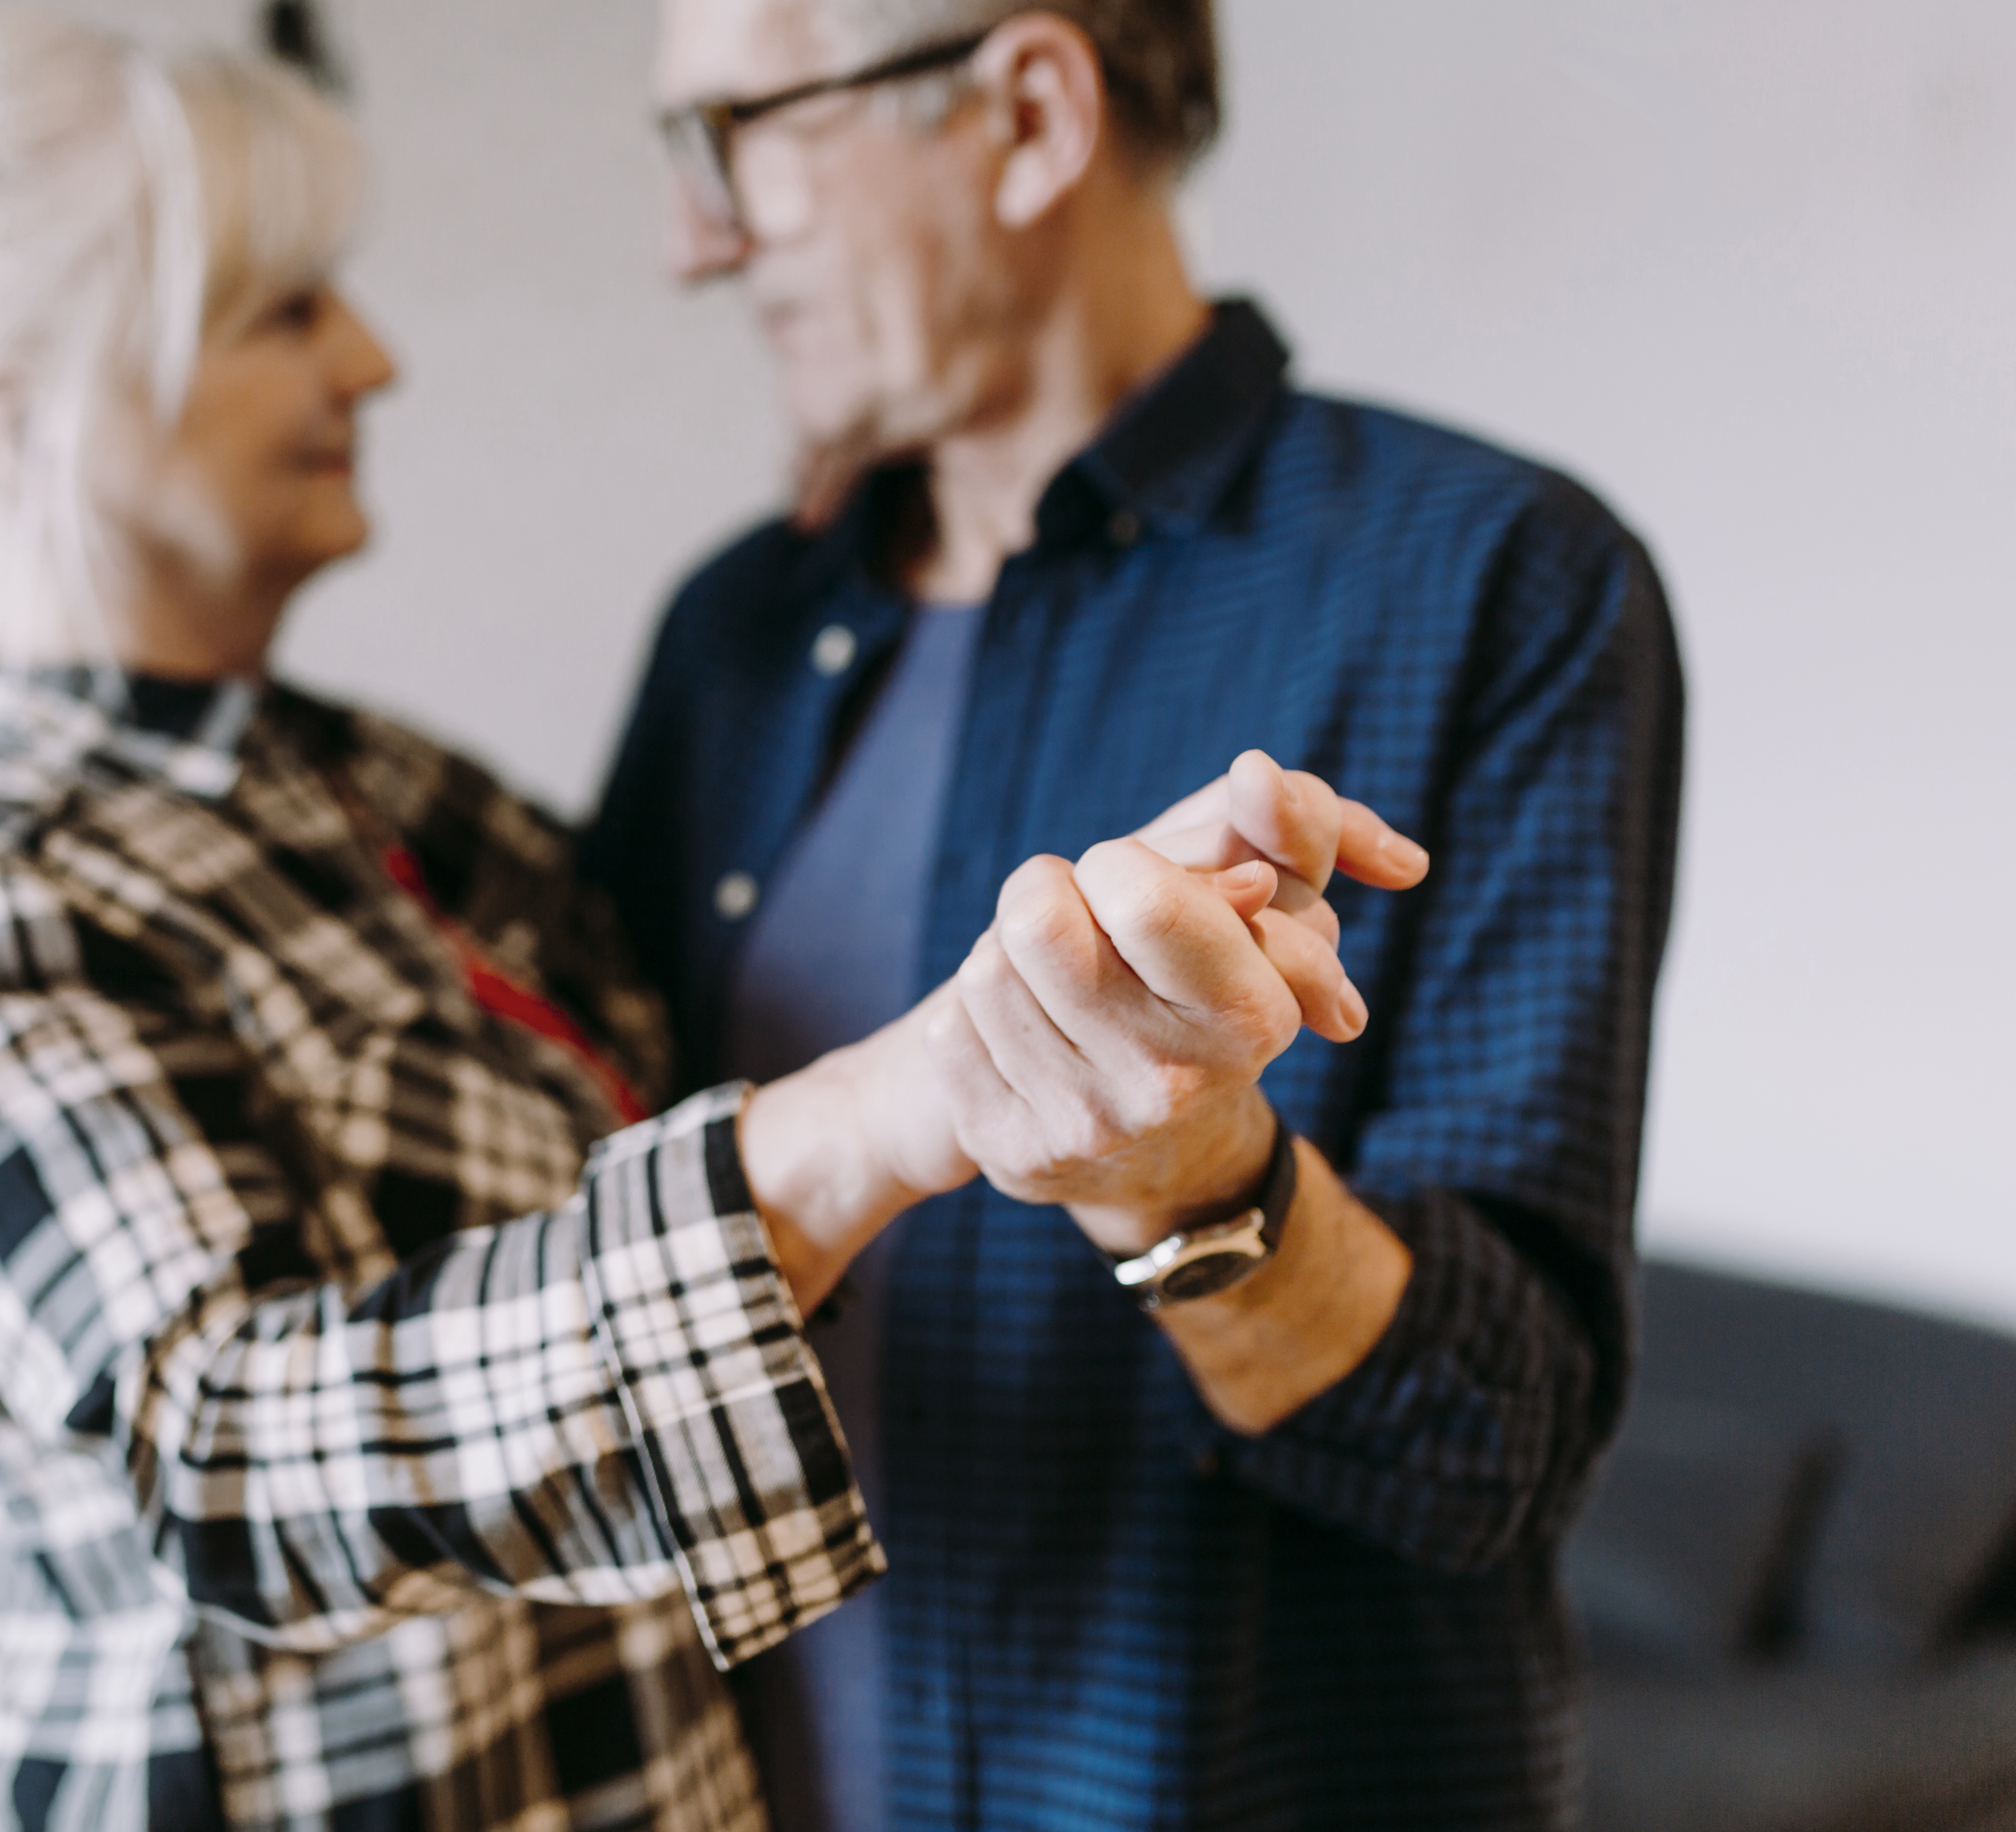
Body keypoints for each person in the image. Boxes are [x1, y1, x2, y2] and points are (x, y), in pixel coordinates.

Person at [0, 14, 1422, 1831]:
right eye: (286, 310)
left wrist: (1124, 968)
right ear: (38, 402)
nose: (376, 358)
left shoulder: (414, 804)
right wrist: (896, 1104)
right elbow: (226, 1461)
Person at [582, 1, 1685, 1827]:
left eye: (736, 141)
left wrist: (1189, 1180)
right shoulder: (734, 642)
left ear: (1026, 114)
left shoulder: (1498, 579)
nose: (688, 244)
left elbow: (1497, 1449)